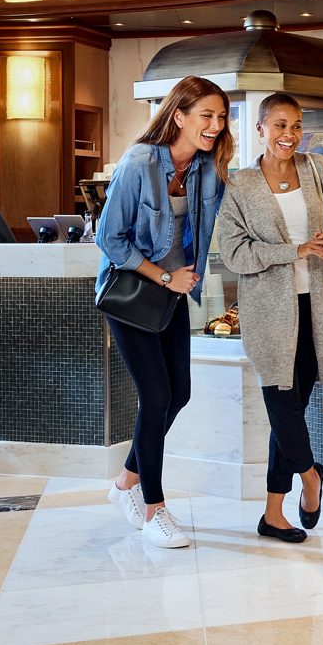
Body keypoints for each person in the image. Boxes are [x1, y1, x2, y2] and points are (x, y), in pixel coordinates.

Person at [215, 92, 323, 543]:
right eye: (279, 125)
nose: (289, 135)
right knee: (281, 401)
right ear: (259, 129)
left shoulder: (317, 170)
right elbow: (234, 254)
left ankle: (273, 514)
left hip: (312, 305)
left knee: (293, 408)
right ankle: (311, 475)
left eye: (296, 126)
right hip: (266, 311)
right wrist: (294, 250)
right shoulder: (238, 184)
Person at [96, 76, 232, 549]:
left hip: (174, 294)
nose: (215, 125)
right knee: (155, 398)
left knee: (180, 395)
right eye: (205, 116)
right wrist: (165, 276)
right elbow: (109, 240)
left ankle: (124, 483)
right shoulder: (138, 163)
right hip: (135, 293)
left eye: (220, 117)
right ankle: (153, 508)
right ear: (178, 115)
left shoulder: (205, 167)